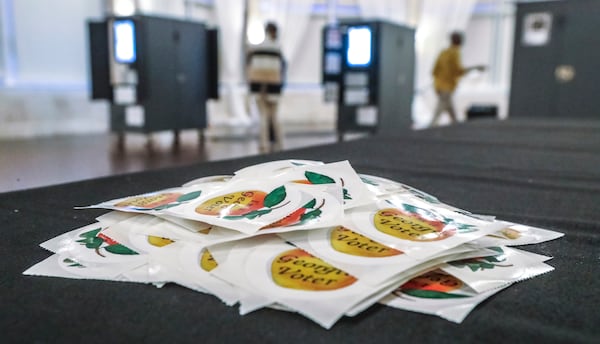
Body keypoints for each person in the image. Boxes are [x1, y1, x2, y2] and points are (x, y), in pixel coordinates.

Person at [430, 31, 485, 127]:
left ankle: (455, 125)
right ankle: (432, 128)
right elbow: (459, 71)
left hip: (441, 86)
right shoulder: (455, 53)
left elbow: (434, 71)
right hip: (447, 87)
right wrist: (476, 67)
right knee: (439, 111)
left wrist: (436, 85)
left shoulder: (443, 53)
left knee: (449, 109)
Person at [246, 22, 286, 153]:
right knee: (274, 117)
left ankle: (263, 146)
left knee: (263, 117)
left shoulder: (255, 48)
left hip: (259, 87)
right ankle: (280, 145)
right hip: (274, 88)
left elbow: (251, 68)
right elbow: (280, 69)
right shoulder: (277, 48)